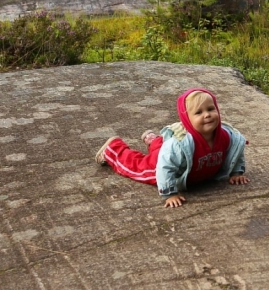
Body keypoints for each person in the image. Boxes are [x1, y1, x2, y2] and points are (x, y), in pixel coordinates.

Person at [96, 88, 249, 207]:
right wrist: (169, 193)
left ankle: (155, 141)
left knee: (165, 147)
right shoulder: (179, 145)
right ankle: (114, 149)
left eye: (210, 109)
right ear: (187, 120)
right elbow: (165, 168)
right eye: (198, 112)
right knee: (140, 169)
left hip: (172, 153)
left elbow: (237, 149)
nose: (207, 115)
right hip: (166, 160)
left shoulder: (227, 136)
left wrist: (236, 172)